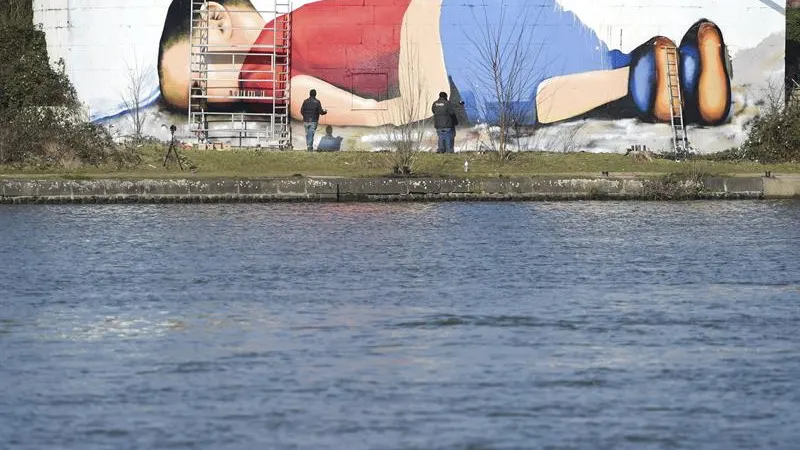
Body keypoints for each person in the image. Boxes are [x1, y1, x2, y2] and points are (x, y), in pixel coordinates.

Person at [157, 0, 733, 128]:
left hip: (434, 58)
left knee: (527, 97)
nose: (218, 96)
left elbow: (304, 94)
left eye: (203, 80)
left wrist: (400, 113)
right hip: (447, 18)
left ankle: (648, 80)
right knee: (556, 62)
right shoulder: (283, 35)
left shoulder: (263, 56)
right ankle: (672, 65)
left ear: (213, 17)